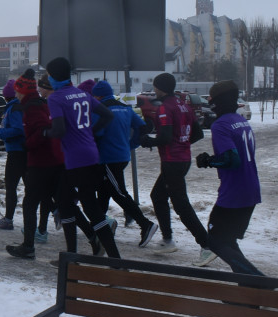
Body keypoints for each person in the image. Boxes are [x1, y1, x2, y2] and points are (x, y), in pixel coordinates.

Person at [43, 57, 120, 258]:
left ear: (54, 77)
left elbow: (59, 130)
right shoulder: (82, 94)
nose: (48, 79)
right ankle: (114, 259)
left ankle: (72, 257)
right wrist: (91, 131)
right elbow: (108, 115)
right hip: (91, 154)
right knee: (87, 206)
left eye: (49, 75)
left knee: (66, 202)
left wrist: (45, 133)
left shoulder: (55, 98)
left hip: (74, 158)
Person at [194, 80, 265, 275]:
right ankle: (247, 284)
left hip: (234, 192)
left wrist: (208, 161)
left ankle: (257, 280)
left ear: (218, 102)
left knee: (215, 241)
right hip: (250, 189)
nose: (210, 103)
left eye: (211, 99)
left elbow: (231, 159)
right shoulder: (240, 121)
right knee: (227, 240)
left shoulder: (220, 125)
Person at [138, 72, 210, 260]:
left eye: (155, 87)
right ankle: (167, 239)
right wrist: (182, 143)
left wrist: (147, 141)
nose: (154, 90)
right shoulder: (184, 105)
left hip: (172, 162)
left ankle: (206, 244)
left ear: (159, 88)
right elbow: (198, 134)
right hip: (183, 159)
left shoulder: (165, 107)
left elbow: (165, 138)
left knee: (181, 205)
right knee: (158, 196)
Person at [91, 79, 160, 247]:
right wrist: (131, 144)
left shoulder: (101, 109)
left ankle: (145, 224)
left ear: (98, 96)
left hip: (108, 158)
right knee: (104, 191)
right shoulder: (126, 108)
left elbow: (97, 133)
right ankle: (99, 228)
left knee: (119, 193)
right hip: (122, 155)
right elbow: (143, 127)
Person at [5, 69, 61, 260]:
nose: (16, 94)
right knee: (42, 200)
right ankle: (31, 242)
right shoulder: (35, 104)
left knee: (31, 204)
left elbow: (43, 129)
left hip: (40, 161)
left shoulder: (32, 107)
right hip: (44, 160)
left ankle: (29, 247)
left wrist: (28, 144)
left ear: (23, 91)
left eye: (17, 91)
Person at [0, 79, 25, 231]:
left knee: (11, 186)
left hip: (17, 152)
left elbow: (18, 129)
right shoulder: (15, 107)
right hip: (19, 151)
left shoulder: (14, 108)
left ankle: (8, 219)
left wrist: (0, 133)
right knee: (28, 188)